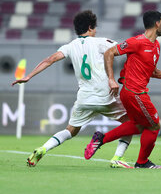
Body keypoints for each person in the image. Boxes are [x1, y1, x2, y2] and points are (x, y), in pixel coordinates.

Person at [12, 10, 133, 168]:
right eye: (94, 28)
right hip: (106, 95)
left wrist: (29, 76)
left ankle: (43, 148)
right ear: (90, 27)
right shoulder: (101, 42)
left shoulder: (70, 46)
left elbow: (50, 60)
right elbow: (125, 48)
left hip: (84, 99)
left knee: (70, 130)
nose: (96, 31)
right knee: (132, 123)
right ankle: (117, 157)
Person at [84, 10, 161, 168]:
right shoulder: (137, 42)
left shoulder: (156, 46)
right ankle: (142, 162)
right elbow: (109, 53)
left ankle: (100, 139)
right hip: (134, 92)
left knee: (139, 125)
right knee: (154, 125)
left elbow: (153, 72)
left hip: (135, 92)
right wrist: (111, 79)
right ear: (157, 23)